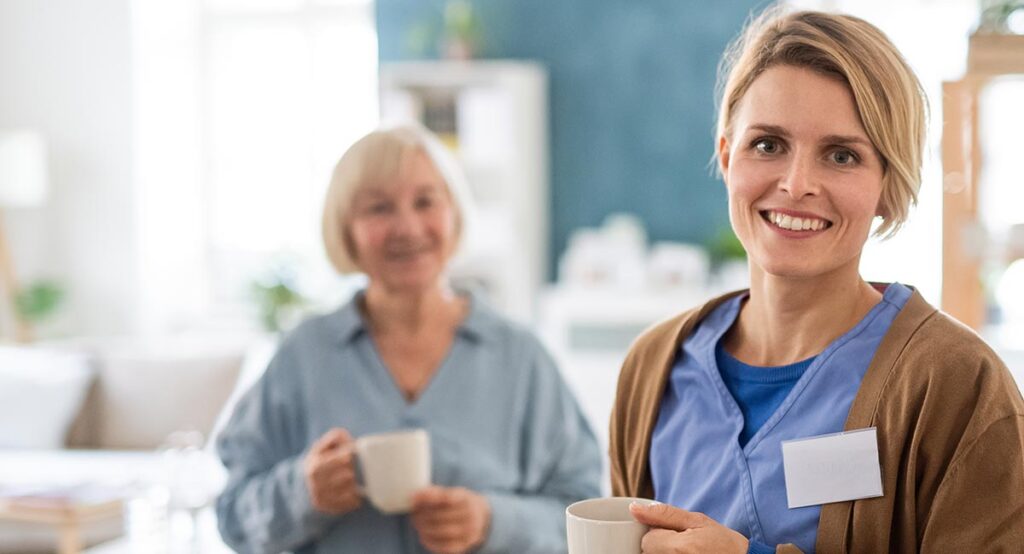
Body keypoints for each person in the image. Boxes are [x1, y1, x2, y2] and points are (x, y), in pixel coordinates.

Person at [610, 8, 1024, 553]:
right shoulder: (654, 368)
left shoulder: (957, 386)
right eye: (768, 145)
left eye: (841, 155)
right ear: (727, 155)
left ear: (889, 186)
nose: (797, 183)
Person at [216, 125, 601, 553]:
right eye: (379, 208)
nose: (407, 226)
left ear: (453, 213)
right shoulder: (302, 356)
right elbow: (232, 516)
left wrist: (493, 521)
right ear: (346, 231)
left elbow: (585, 512)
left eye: (425, 202)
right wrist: (302, 493)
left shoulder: (520, 358)